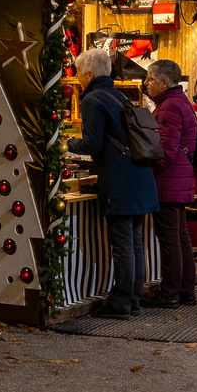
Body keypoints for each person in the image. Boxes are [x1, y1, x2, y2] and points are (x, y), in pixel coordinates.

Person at [73, 46, 158, 319]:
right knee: (134, 243)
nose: (76, 78)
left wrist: (66, 144)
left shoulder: (92, 99)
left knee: (123, 244)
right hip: (139, 176)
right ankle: (132, 299)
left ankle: (120, 303)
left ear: (88, 74)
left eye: (78, 73)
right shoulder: (119, 95)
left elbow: (92, 143)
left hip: (120, 181)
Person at [144, 59, 197, 308]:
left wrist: (148, 173)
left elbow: (164, 151)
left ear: (164, 82)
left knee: (170, 240)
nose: (146, 84)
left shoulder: (169, 107)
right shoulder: (181, 103)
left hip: (168, 182)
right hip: (180, 180)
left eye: (149, 79)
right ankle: (186, 290)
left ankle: (170, 293)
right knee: (180, 237)